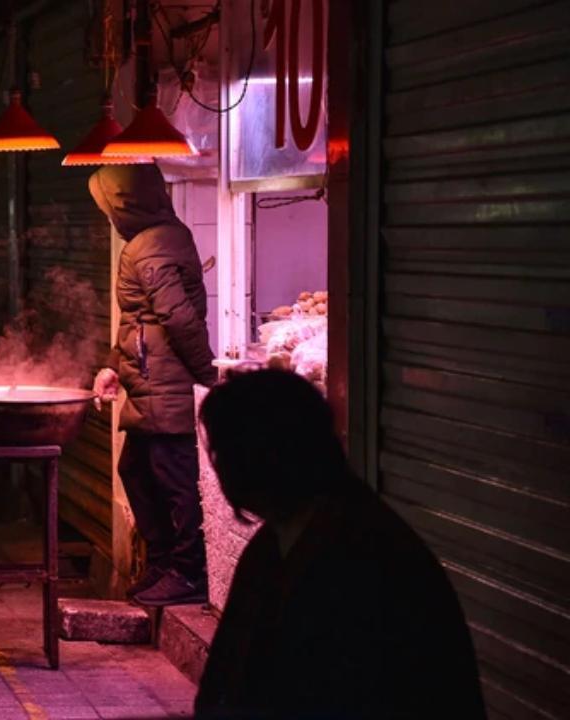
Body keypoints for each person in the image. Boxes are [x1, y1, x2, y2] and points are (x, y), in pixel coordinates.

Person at [194, 370, 486, 720]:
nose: (219, 466)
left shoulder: (361, 556)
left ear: (266, 454)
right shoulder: (276, 543)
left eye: (224, 451)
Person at [90, 163, 216, 606]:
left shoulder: (152, 245)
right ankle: (164, 563)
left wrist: (208, 374)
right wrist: (112, 367)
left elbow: (178, 318)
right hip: (148, 380)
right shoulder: (155, 238)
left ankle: (187, 573)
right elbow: (137, 322)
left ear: (126, 204)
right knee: (137, 472)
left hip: (165, 384)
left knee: (173, 478)